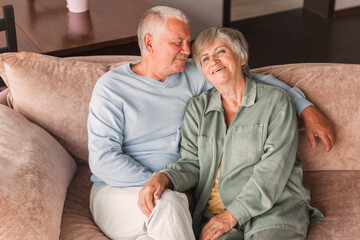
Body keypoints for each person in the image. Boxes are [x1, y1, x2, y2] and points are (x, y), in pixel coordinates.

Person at [88, 6, 332, 240]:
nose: (187, 50)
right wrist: (162, 181)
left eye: (188, 42)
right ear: (149, 43)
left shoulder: (190, 72)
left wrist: (304, 107)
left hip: (173, 198)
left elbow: (246, 79)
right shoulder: (112, 87)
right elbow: (103, 161)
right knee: (170, 205)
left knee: (169, 214)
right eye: (178, 42)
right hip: (119, 194)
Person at [138, 27, 324, 240]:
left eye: (221, 52)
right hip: (215, 215)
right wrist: (164, 177)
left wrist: (232, 214)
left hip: (273, 209)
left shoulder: (275, 102)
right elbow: (191, 163)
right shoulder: (197, 108)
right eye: (205, 58)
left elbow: (273, 170)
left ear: (241, 58)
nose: (213, 61)